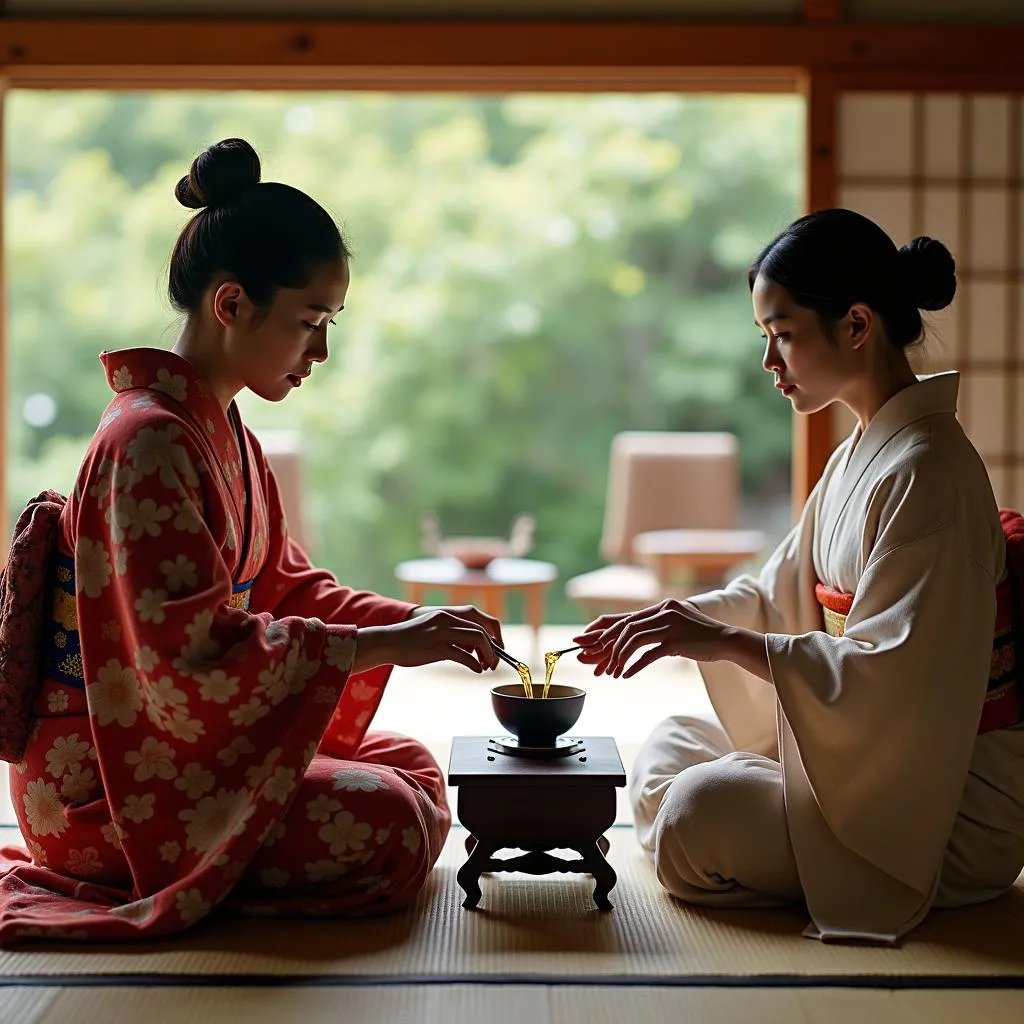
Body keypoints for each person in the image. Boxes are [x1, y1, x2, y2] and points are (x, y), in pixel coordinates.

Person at [0, 138, 505, 943]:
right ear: (230, 304)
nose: (322, 352)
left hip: (168, 751)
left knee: (409, 766)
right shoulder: (147, 442)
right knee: (390, 824)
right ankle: (183, 878)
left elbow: (283, 589)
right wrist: (386, 645)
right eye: (309, 322)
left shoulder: (222, 433)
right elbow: (186, 654)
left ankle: (233, 869)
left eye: (329, 324)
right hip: (108, 779)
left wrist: (414, 625)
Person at [576, 208, 1024, 944]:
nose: (769, 363)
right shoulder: (858, 455)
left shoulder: (930, 470)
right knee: (671, 743)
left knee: (698, 808)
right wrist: (678, 622)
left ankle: (761, 861)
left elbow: (897, 674)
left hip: (944, 804)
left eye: (782, 335)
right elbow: (775, 595)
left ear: (855, 325)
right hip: (876, 761)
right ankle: (747, 856)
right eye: (765, 339)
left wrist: (718, 642)